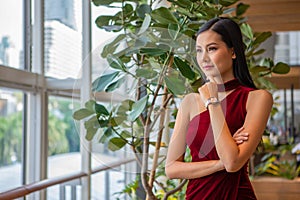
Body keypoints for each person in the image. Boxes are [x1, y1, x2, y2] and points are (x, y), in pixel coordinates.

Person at [165, 17, 273, 199]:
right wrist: (220, 162)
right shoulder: (190, 102)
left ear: (232, 51)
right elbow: (172, 168)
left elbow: (233, 163)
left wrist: (213, 102)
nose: (204, 58)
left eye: (212, 49)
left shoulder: (257, 98)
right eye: (199, 51)